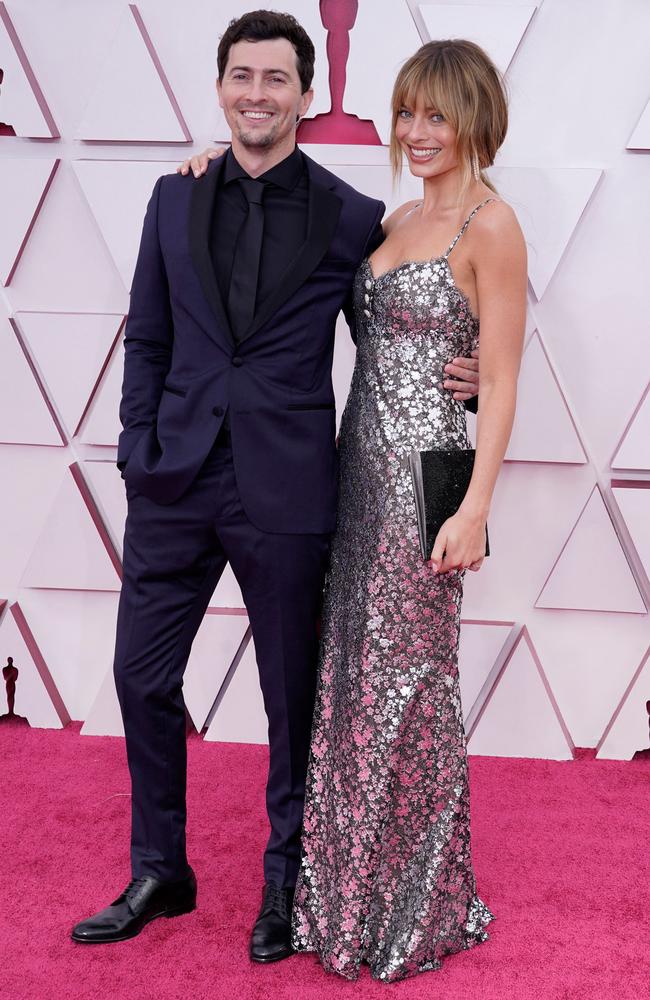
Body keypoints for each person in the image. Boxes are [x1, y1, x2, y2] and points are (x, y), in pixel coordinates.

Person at [70, 11, 479, 962]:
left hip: (290, 490)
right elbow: (149, 334)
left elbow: (391, 334)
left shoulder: (350, 216)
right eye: (242, 77)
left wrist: (465, 371)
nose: (258, 93)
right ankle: (159, 868)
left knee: (291, 699)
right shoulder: (172, 200)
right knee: (141, 677)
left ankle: (286, 885)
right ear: (221, 88)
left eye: (276, 79)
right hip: (173, 481)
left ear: (306, 94)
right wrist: (138, 447)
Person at [289, 39, 527, 981]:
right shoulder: (392, 217)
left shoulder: (491, 225)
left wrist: (474, 510)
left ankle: (414, 907)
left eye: (437, 115)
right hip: (358, 475)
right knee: (353, 675)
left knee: (410, 686)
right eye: (406, 114)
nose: (417, 133)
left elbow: (501, 381)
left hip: (429, 481)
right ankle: (344, 898)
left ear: (474, 120)